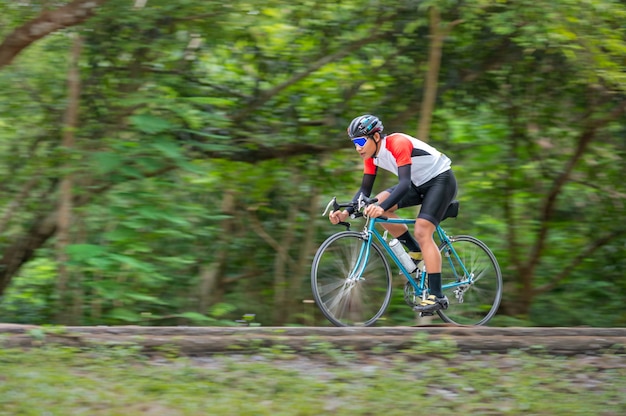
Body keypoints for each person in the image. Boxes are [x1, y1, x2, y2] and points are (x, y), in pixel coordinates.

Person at [328, 114, 458, 314]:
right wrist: (345, 212)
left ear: (376, 137)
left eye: (361, 141)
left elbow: (404, 184)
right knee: (377, 204)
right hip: (418, 183)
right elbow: (365, 192)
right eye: (354, 143)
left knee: (422, 230)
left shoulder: (398, 143)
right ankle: (415, 251)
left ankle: (437, 296)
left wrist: (381, 206)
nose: (358, 148)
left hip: (440, 180)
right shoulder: (371, 157)